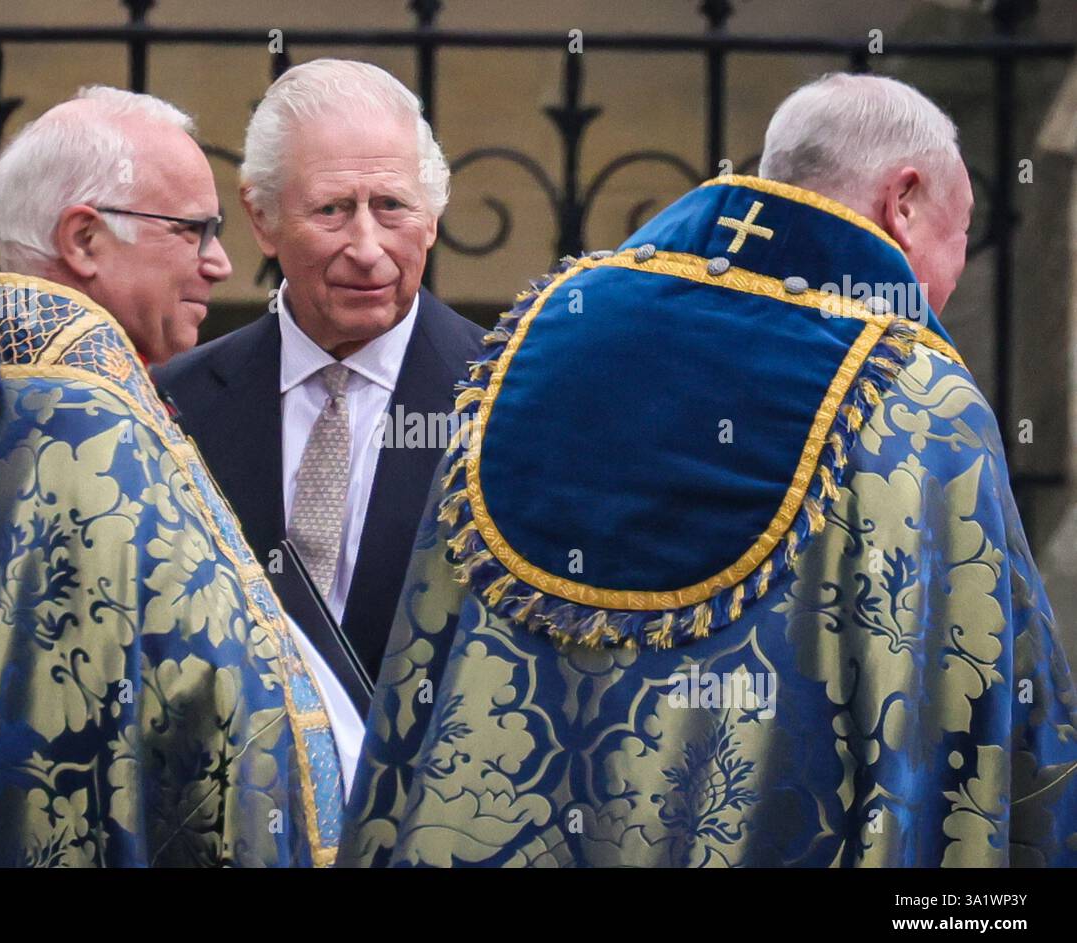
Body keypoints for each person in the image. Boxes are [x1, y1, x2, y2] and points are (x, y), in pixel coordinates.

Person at [338, 73, 1077, 867]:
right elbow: (983, 717)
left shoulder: (543, 331)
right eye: (958, 235)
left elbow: (426, 657)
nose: (955, 276)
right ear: (902, 202)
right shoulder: (917, 399)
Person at [0, 85, 348, 867]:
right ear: (84, 240)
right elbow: (54, 784)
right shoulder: (76, 432)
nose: (221, 264)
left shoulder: (18, 393)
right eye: (195, 231)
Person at [155, 60, 485, 701]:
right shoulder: (175, 406)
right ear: (262, 218)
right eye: (332, 210)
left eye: (391, 207)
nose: (366, 247)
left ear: (433, 217)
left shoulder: (505, 398)